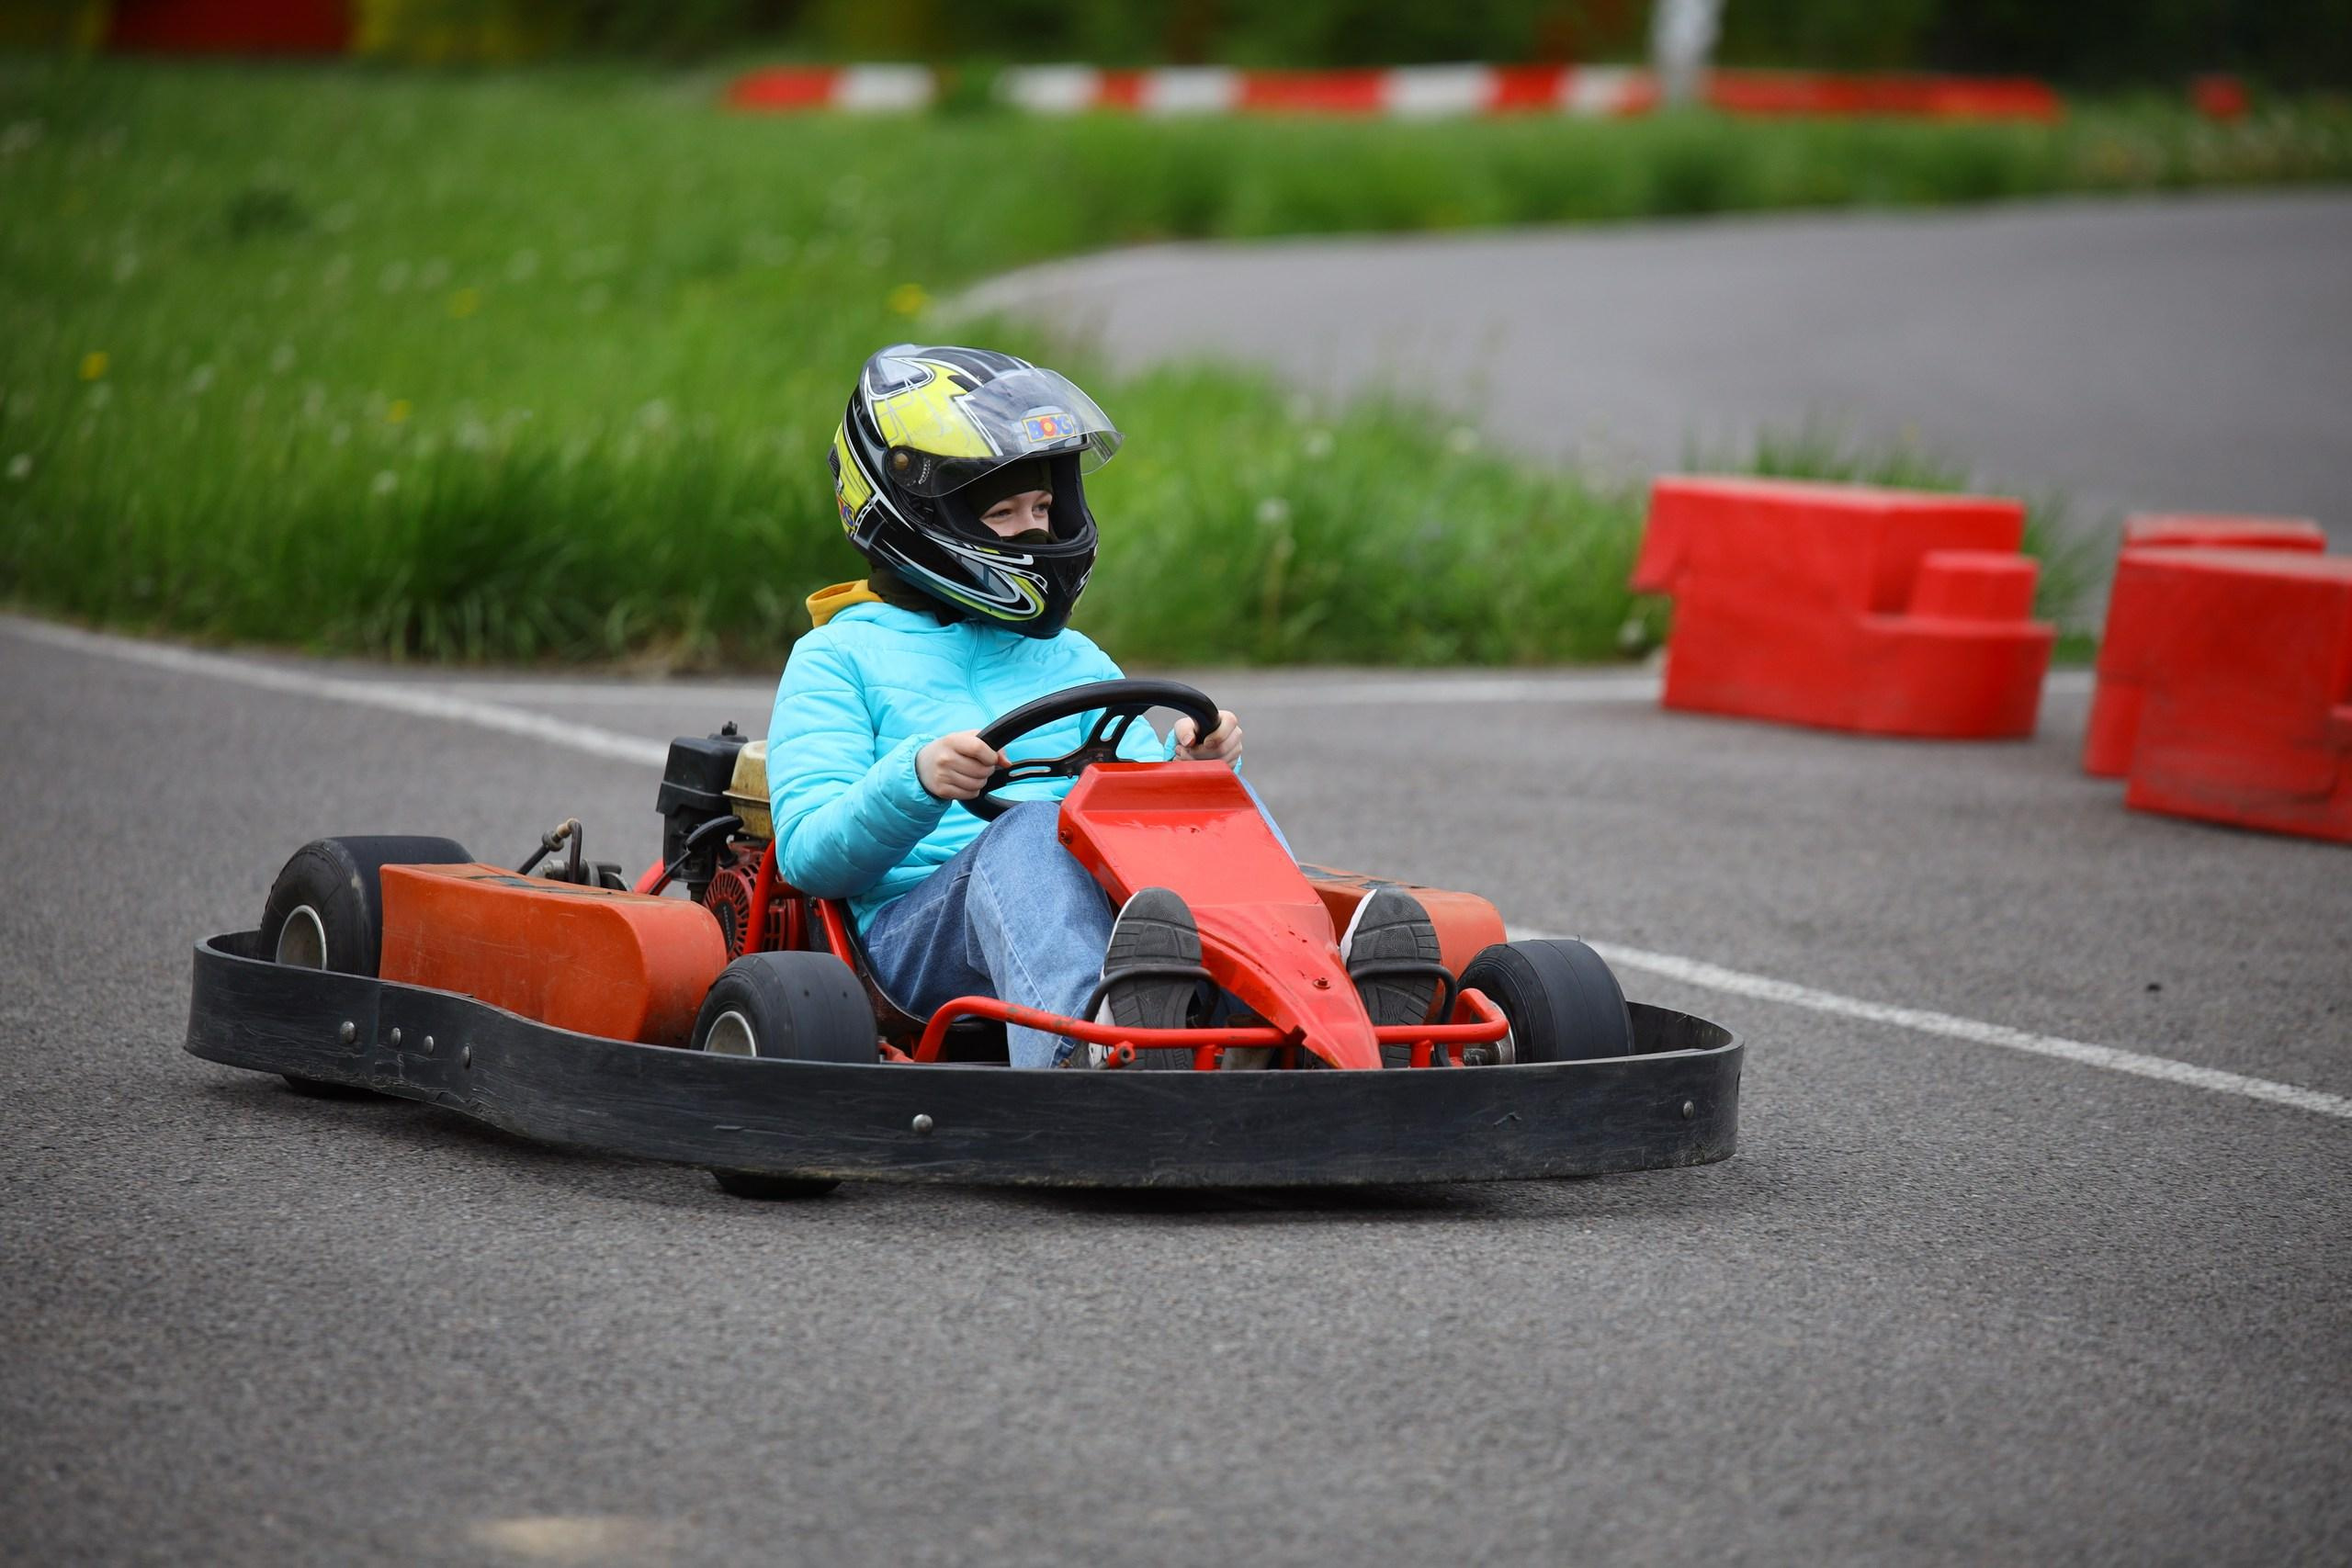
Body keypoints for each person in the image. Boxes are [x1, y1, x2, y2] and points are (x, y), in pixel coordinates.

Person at [767, 344, 1437, 1067]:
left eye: (1044, 506)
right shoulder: (838, 657)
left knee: (1212, 816)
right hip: (913, 936)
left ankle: (1303, 1017)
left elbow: (1143, 817)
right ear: (911, 514)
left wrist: (1190, 769)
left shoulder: (1073, 660)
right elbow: (808, 855)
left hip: (1096, 914)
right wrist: (915, 779)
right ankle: (1081, 1047)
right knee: (1027, 832)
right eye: (1003, 512)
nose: (1035, 530)